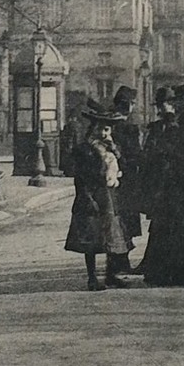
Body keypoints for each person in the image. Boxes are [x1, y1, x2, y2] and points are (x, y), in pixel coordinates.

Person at [64, 100, 135, 291]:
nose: (103, 133)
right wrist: (87, 196)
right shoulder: (84, 150)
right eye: (100, 129)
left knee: (111, 236)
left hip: (109, 194)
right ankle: (92, 277)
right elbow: (80, 176)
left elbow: (123, 167)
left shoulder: (112, 148)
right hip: (92, 194)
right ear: (93, 129)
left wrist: (115, 150)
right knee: (91, 238)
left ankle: (111, 275)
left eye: (107, 130)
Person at [108, 85, 145, 276]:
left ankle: (116, 262)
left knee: (114, 221)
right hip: (128, 181)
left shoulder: (108, 124)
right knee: (125, 224)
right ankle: (121, 263)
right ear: (128, 105)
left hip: (110, 181)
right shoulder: (130, 128)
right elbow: (136, 155)